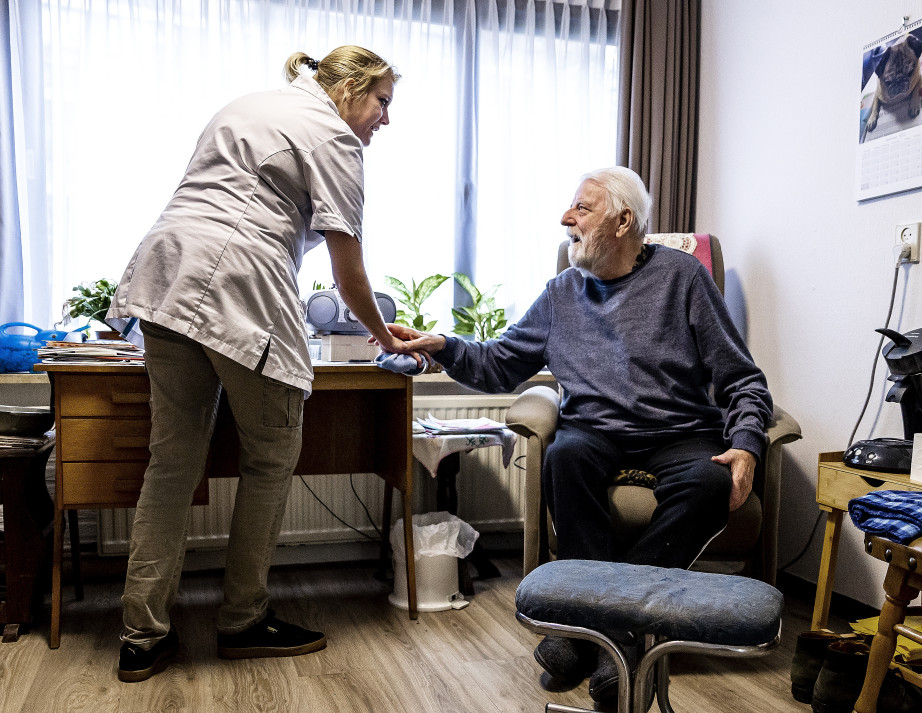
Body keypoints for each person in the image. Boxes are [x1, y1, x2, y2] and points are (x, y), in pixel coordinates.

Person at [380, 166, 773, 702]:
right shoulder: (562, 292)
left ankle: (594, 627)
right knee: (565, 457)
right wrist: (443, 346)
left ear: (623, 221)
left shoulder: (682, 277)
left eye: (582, 209)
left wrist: (747, 442)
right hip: (596, 430)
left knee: (710, 483)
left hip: (680, 429)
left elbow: (742, 378)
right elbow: (499, 363)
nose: (566, 218)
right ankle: (621, 634)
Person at [105, 46, 418, 683]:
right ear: (350, 89)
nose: (386, 119)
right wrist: (384, 337)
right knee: (271, 455)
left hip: (165, 271)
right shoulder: (334, 136)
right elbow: (347, 269)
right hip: (239, 282)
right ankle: (243, 620)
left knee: (172, 463)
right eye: (382, 101)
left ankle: (141, 636)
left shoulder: (246, 105)